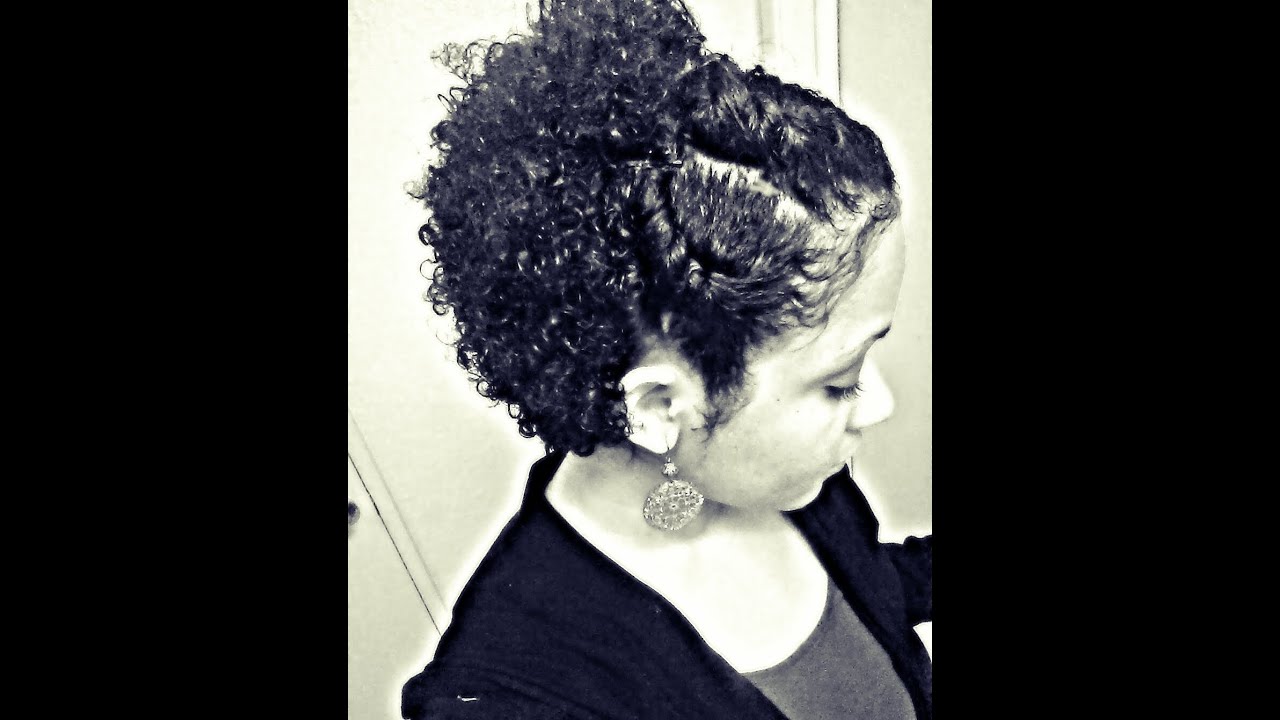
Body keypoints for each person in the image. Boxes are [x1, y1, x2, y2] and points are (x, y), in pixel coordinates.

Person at [401, 1, 931, 717]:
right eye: (840, 383)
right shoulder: (516, 695)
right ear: (657, 408)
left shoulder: (780, 472)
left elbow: (866, 597)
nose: (877, 405)